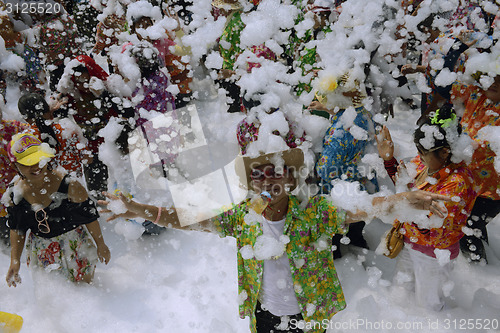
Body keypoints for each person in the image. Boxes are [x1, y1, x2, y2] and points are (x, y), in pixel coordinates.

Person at [100, 147, 449, 332]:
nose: (268, 182)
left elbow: (361, 208)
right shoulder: (244, 217)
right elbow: (192, 220)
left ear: (292, 179)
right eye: (259, 176)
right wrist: (141, 210)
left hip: (308, 314)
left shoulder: (314, 213)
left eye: (276, 174)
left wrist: (401, 201)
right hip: (263, 314)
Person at [376, 104, 479, 311]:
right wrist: (389, 160)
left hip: (434, 254)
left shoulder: (458, 183)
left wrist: (401, 207)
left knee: (429, 305)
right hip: (412, 241)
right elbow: (405, 186)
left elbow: (433, 226)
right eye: (418, 152)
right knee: (401, 290)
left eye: (423, 153)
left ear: (445, 152)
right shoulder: (427, 163)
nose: (419, 157)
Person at [5, 133, 110, 286]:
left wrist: (101, 244)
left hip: (74, 244)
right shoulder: (15, 194)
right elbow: (17, 229)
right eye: (28, 163)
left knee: (85, 287)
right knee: (53, 291)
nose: (36, 167)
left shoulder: (69, 185)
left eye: (39, 160)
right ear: (15, 166)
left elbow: (90, 217)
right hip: (42, 248)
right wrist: (15, 260)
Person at [17, 93, 87, 177]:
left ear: (25, 117)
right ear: (47, 109)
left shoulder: (25, 139)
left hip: (46, 185)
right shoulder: (68, 129)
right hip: (73, 183)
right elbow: (88, 159)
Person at [0, 101, 29, 246]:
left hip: (14, 186)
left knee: (14, 223)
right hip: (10, 187)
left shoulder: (13, 127)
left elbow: (33, 134)